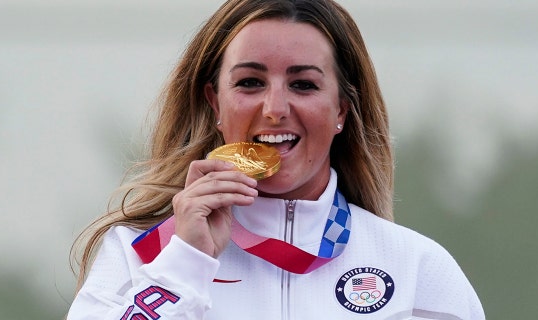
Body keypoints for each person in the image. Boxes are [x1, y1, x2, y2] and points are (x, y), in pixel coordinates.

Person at [68, 0, 485, 319]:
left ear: (341, 108)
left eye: (303, 84)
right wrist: (184, 265)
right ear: (215, 102)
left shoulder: (415, 267)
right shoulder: (137, 253)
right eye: (250, 82)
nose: (274, 108)